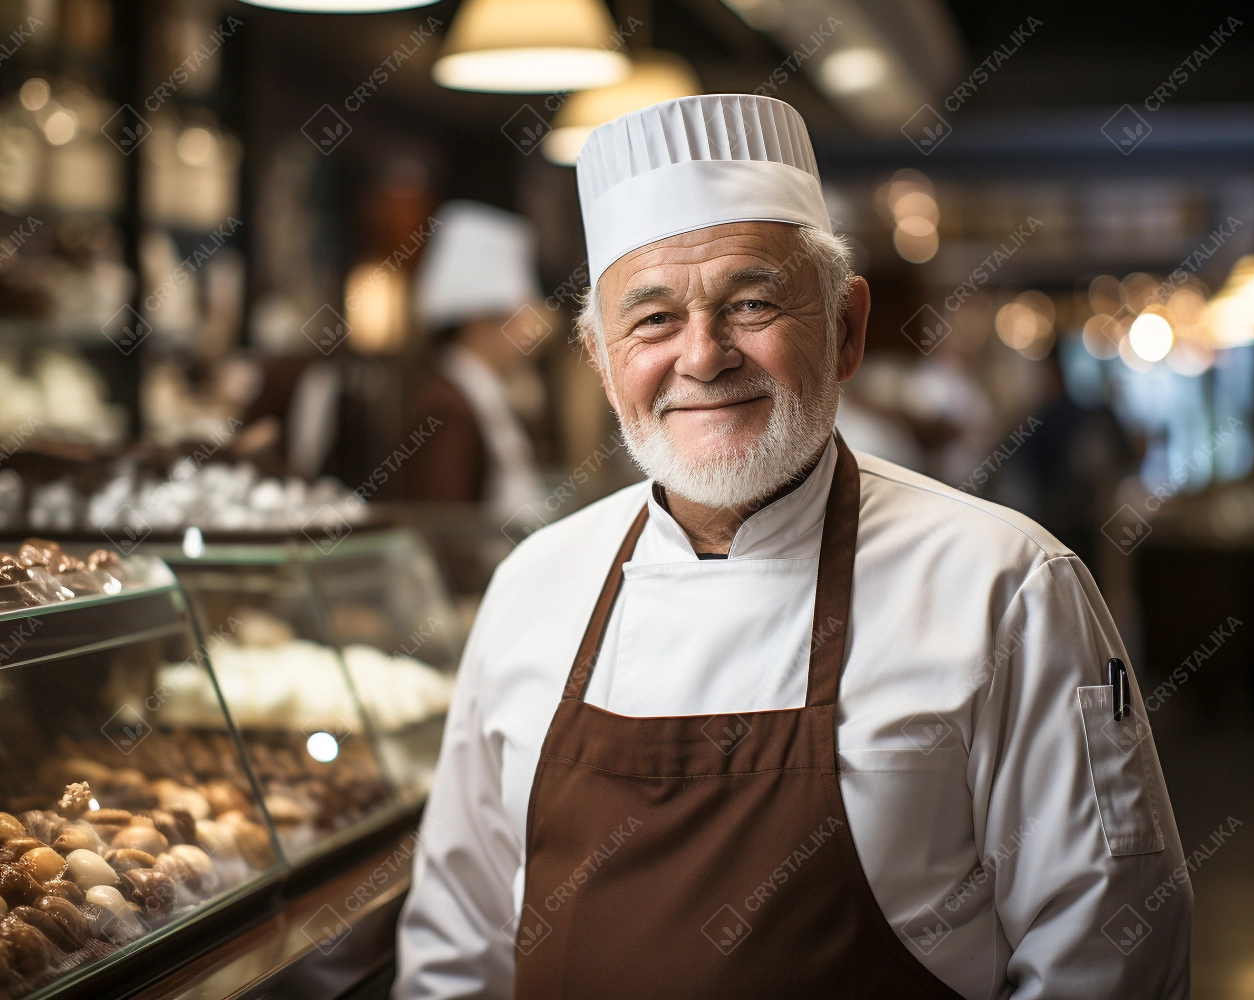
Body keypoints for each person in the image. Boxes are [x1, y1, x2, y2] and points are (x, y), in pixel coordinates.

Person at [395, 95, 1190, 999]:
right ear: (601, 361)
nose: (703, 356)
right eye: (652, 319)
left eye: (752, 303)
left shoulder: (1009, 589)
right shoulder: (534, 586)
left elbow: (1110, 957)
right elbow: (455, 949)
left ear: (846, 329)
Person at [400, 200, 547, 512]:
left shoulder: (478, 393)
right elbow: (447, 529)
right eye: (519, 318)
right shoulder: (446, 407)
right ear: (481, 322)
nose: (529, 335)